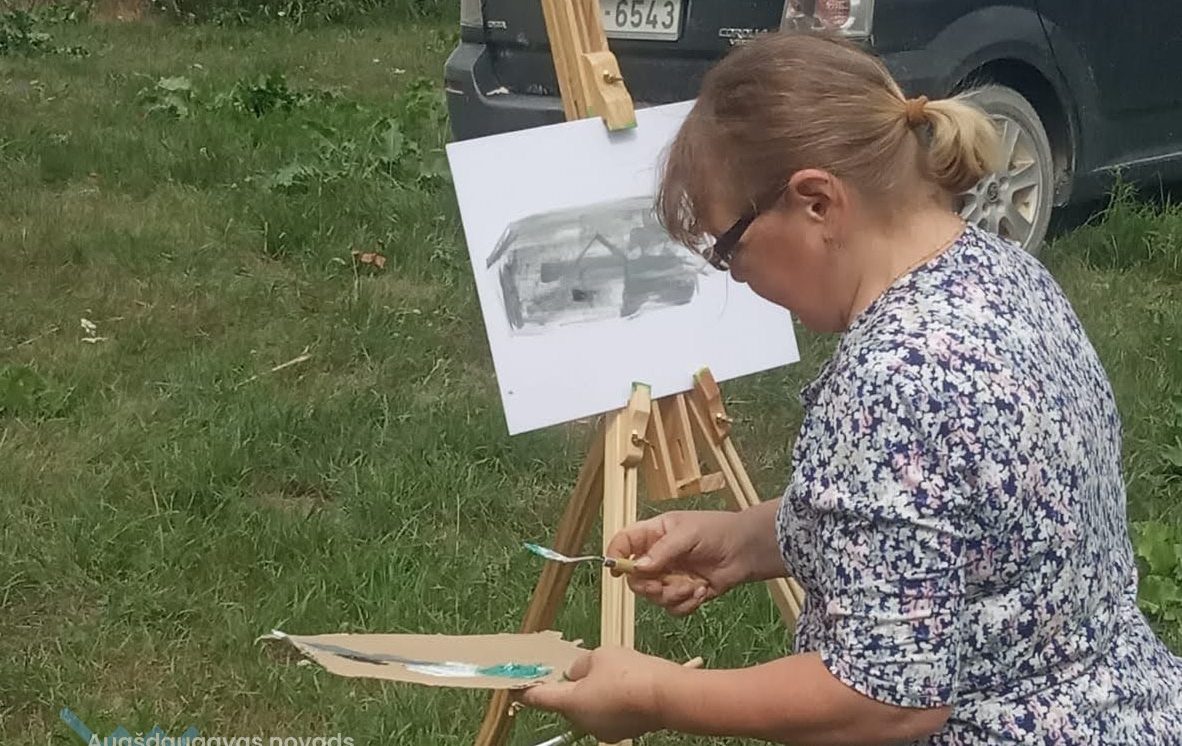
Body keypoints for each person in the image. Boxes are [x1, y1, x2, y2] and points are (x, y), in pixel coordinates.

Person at [517, 31, 1182, 745]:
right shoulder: (1002, 271)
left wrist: (656, 695)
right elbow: (944, 524)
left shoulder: (893, 381)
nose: (738, 279)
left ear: (816, 202)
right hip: (1124, 708)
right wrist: (742, 542)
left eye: (730, 248)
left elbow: (886, 700)